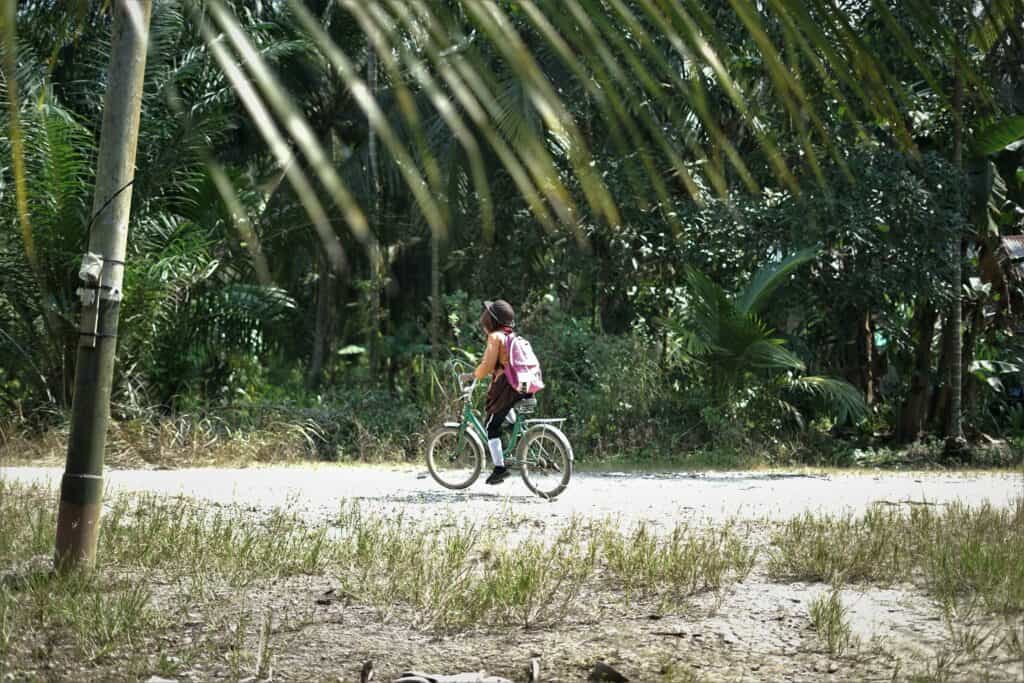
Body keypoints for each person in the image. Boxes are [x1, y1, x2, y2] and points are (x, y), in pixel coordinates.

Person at [461, 299, 530, 485]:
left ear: (491, 321)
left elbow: (486, 366)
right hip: (524, 385)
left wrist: (471, 375)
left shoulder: (495, 337)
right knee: (505, 416)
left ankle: (499, 468)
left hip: (508, 386)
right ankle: (514, 446)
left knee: (491, 424)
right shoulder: (512, 337)